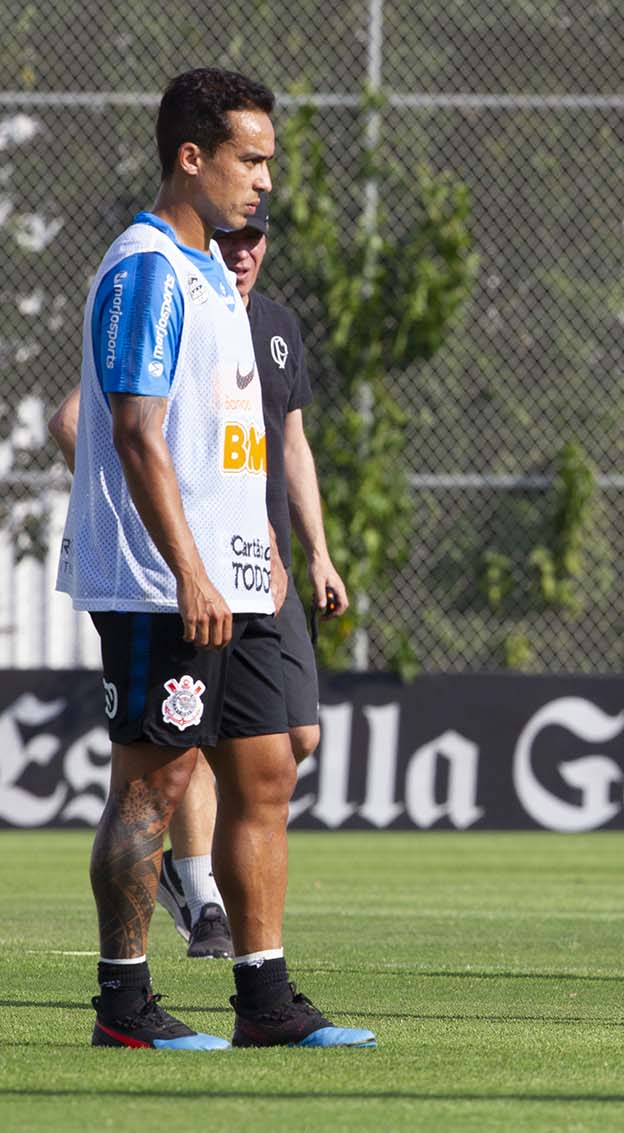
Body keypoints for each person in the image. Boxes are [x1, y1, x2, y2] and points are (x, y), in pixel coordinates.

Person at [55, 67, 372, 1049]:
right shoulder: (147, 266)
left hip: (240, 579)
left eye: (270, 161)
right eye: (251, 158)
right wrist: (192, 569)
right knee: (152, 783)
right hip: (163, 583)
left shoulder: (212, 277)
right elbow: (137, 432)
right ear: (191, 157)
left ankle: (264, 999)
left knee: (266, 769)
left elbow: (223, 442)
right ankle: (122, 1005)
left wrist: (259, 546)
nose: (266, 179)